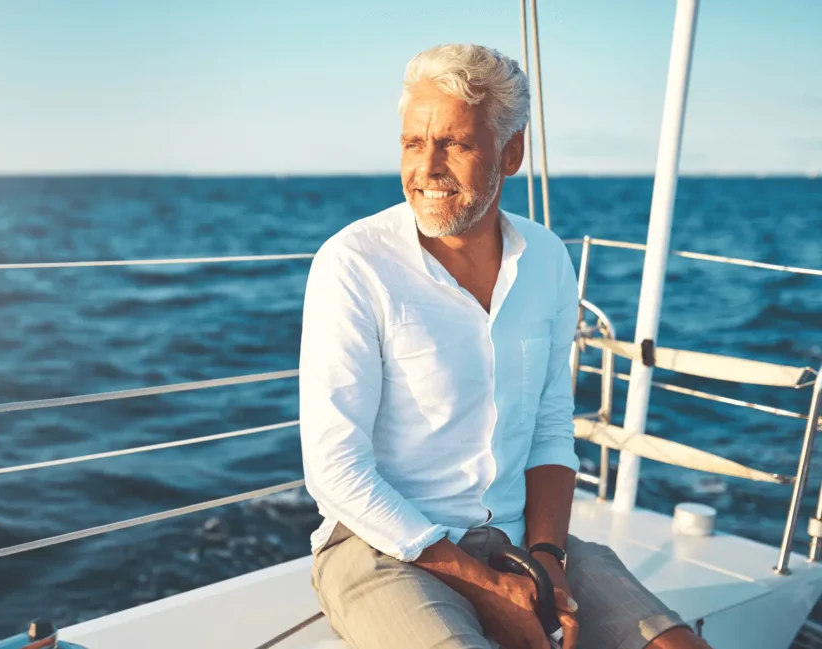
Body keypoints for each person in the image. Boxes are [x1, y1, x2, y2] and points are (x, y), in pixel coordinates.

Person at [298, 44, 712, 649]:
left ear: (511, 152)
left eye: (455, 144)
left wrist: (546, 559)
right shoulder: (353, 264)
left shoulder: (546, 258)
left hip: (516, 539)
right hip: (382, 546)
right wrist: (489, 592)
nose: (428, 167)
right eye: (414, 143)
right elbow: (335, 470)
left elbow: (549, 426)